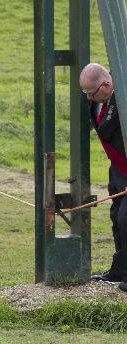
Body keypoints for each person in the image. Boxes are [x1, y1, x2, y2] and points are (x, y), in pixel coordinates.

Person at [80, 63, 127, 290]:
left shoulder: (123, 98)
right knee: (117, 217)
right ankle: (119, 272)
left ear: (107, 85)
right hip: (118, 169)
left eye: (91, 93)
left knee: (126, 219)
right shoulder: (96, 100)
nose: (88, 98)